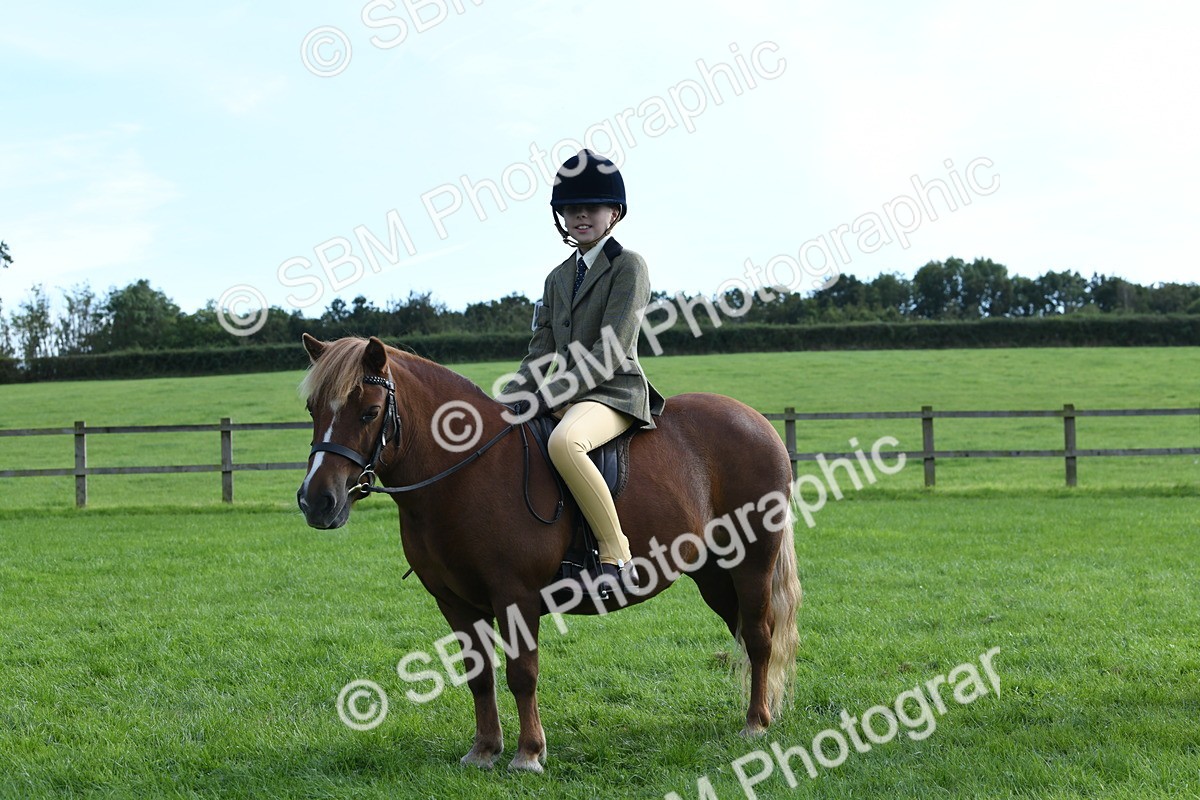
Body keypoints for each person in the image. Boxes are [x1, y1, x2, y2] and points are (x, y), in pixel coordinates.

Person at [499, 149, 665, 593]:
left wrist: (551, 395)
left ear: (614, 212)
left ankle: (616, 556)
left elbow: (611, 349)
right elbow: (539, 351)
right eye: (571, 209)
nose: (580, 216)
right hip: (565, 394)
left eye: (590, 208)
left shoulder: (629, 266)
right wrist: (504, 402)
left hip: (613, 393)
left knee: (565, 443)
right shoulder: (556, 278)